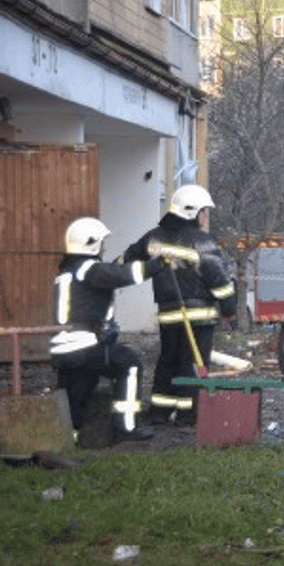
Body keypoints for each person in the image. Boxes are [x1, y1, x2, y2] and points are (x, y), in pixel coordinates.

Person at [49, 218, 185, 442]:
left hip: (64, 350)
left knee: (77, 396)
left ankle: (70, 438)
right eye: (101, 242)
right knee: (130, 365)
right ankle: (127, 426)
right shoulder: (90, 269)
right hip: (86, 345)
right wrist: (158, 263)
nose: (103, 247)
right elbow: (123, 275)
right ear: (91, 243)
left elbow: (110, 273)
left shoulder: (67, 272)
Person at [123, 184, 237, 426]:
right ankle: (188, 415)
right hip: (199, 316)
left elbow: (129, 259)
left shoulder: (154, 237)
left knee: (167, 362)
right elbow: (221, 283)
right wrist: (229, 309)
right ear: (193, 212)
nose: (205, 217)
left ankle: (159, 412)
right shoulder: (203, 242)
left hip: (168, 315)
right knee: (193, 364)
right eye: (204, 211)